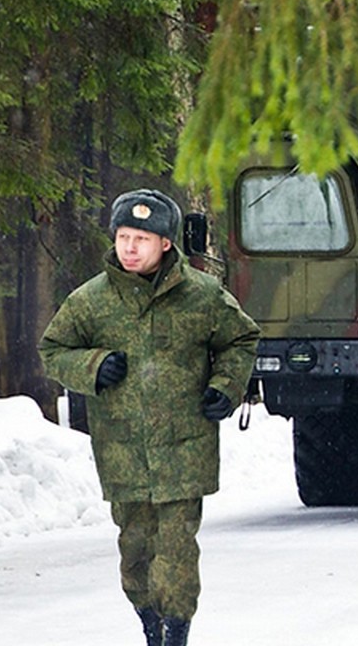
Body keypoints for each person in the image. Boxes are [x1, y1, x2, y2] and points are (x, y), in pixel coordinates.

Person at [40, 189, 260, 646]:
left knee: (176, 555)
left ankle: (175, 634)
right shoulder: (91, 301)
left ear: (165, 243)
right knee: (135, 556)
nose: (130, 248)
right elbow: (53, 350)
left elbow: (240, 339)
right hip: (123, 453)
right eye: (123, 236)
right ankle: (149, 624)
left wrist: (227, 387)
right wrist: (94, 366)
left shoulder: (202, 297)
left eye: (141, 238)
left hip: (185, 450)